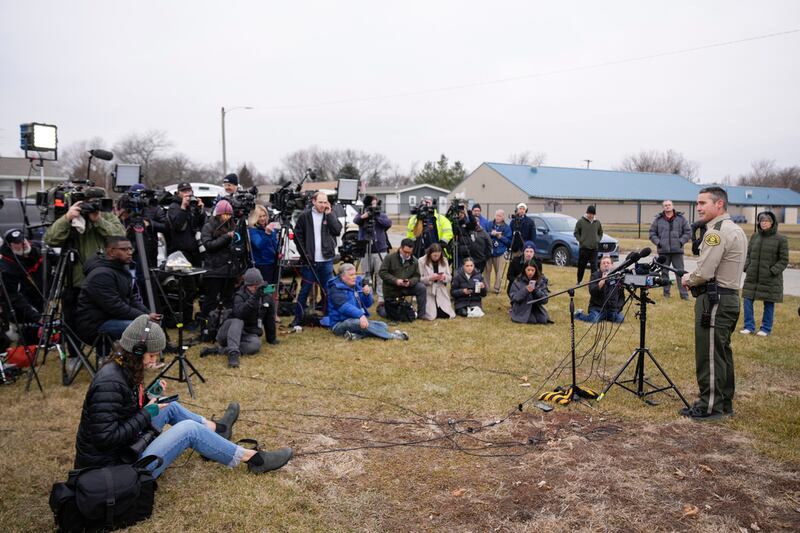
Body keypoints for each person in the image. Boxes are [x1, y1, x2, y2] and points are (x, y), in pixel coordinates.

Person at [73, 315, 292, 477]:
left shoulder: (123, 368)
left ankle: (218, 430)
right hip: (116, 468)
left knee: (168, 405)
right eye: (151, 355)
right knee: (189, 430)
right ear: (137, 351)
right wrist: (147, 413)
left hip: (125, 451)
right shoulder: (109, 382)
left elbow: (123, 410)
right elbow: (105, 438)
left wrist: (150, 395)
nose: (153, 361)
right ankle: (253, 459)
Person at [681, 186, 747, 420]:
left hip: (715, 300)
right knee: (721, 353)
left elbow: (705, 272)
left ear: (719, 204)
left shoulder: (716, 232)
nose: (698, 207)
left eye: (703, 203)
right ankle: (724, 402)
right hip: (728, 297)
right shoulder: (735, 229)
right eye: (697, 203)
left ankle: (709, 406)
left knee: (709, 354)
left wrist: (688, 278)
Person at [45, 188, 126, 370]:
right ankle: (74, 355)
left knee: (102, 321)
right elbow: (50, 239)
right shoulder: (71, 220)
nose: (92, 205)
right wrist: (67, 218)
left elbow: (120, 237)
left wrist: (98, 220)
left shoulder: (107, 217)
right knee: (72, 321)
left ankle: (103, 355)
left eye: (96, 201)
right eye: (88, 201)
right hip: (74, 282)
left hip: (103, 282)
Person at [76, 236, 160, 344]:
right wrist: (144, 317)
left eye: (131, 249)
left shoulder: (120, 269)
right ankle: (135, 359)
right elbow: (114, 306)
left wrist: (148, 313)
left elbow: (132, 298)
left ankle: (135, 359)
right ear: (111, 252)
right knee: (146, 329)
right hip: (96, 325)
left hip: (113, 318)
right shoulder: (101, 275)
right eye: (124, 249)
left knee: (150, 325)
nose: (130, 252)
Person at [293, 192, 342, 326]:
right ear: (314, 201)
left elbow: (337, 230)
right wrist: (305, 254)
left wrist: (330, 214)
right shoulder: (305, 216)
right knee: (305, 290)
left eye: (325, 202)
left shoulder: (329, 215)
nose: (323, 205)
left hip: (326, 260)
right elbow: (298, 236)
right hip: (310, 261)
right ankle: (298, 318)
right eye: (320, 202)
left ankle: (328, 317)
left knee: (327, 289)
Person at [213, 268, 277, 368]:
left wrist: (271, 339)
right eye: (252, 285)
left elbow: (269, 318)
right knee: (238, 321)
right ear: (247, 285)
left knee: (255, 345)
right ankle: (233, 355)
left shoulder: (266, 296)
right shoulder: (239, 295)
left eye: (258, 285)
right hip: (228, 332)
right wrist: (254, 298)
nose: (255, 288)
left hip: (246, 334)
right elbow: (239, 314)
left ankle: (220, 350)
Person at [117, 184, 168, 310]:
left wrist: (149, 223)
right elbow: (120, 228)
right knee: (130, 282)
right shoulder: (126, 210)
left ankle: (152, 311)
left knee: (148, 283)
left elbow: (166, 226)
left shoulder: (154, 209)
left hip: (148, 252)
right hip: (130, 251)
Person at [326, 263, 408, 341]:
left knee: (383, 325)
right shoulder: (335, 288)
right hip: (339, 324)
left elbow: (368, 304)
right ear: (342, 277)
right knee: (357, 323)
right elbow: (344, 307)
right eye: (351, 275)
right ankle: (393, 336)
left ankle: (356, 336)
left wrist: (367, 294)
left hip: (357, 319)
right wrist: (360, 315)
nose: (354, 277)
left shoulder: (356, 284)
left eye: (355, 274)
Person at [740, 211, 789, 336]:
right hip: (752, 276)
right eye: (762, 221)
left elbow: (784, 260)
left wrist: (772, 271)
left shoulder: (781, 239)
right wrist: (747, 267)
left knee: (768, 303)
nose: (764, 223)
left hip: (770, 278)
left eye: (767, 221)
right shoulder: (755, 236)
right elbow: (749, 254)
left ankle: (765, 328)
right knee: (747, 300)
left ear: (772, 223)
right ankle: (749, 326)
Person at [166, 182, 206, 327]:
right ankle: (186, 320)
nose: (187, 194)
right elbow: (176, 225)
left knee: (196, 286)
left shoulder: (193, 205)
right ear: (178, 193)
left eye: (188, 190)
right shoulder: (174, 207)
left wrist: (201, 211)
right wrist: (183, 207)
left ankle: (193, 317)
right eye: (183, 191)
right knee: (187, 288)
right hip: (181, 253)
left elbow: (202, 225)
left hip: (195, 251)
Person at [0, 229, 46, 343]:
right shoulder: (7, 267)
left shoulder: (35, 249)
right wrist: (36, 316)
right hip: (21, 309)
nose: (23, 243)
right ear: (10, 246)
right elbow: (13, 297)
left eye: (23, 239)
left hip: (40, 296)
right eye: (18, 242)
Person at [200, 199, 240, 324]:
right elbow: (209, 245)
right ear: (218, 214)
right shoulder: (208, 226)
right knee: (211, 299)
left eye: (229, 215)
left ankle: (226, 323)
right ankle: (206, 323)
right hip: (214, 269)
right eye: (224, 214)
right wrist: (227, 237)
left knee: (228, 298)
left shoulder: (234, 225)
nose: (227, 217)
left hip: (229, 269)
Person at [353, 195, 392, 304]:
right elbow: (356, 220)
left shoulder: (381, 215)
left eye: (375, 203)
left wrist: (376, 216)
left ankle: (381, 296)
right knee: (366, 273)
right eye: (372, 203)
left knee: (380, 274)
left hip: (380, 248)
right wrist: (364, 216)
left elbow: (388, 223)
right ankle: (367, 295)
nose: (374, 205)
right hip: (365, 248)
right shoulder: (362, 213)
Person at [649, 200, 692, 299]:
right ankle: (666, 295)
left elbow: (688, 232)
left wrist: (681, 241)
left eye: (669, 205)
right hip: (663, 251)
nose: (667, 207)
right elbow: (652, 233)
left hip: (677, 251)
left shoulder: (681, 219)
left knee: (680, 273)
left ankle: (684, 295)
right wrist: (659, 243)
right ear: (663, 207)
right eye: (665, 205)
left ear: (672, 206)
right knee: (664, 273)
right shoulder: (658, 220)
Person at [379, 238, 427, 320]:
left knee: (421, 288)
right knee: (389, 315)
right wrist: (395, 281)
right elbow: (382, 273)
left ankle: (421, 315)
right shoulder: (389, 258)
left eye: (409, 252)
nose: (407, 254)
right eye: (405, 252)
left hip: (407, 287)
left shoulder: (415, 261)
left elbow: (417, 276)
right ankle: (381, 307)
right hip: (392, 289)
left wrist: (410, 282)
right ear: (400, 248)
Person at [575, 255, 625, 323]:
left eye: (608, 263)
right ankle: (578, 314)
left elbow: (621, 295)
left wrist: (618, 308)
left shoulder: (617, 277)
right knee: (594, 320)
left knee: (620, 319)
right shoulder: (595, 275)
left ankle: (606, 317)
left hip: (611, 309)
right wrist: (602, 281)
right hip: (597, 308)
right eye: (603, 263)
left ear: (612, 265)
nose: (606, 265)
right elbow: (592, 291)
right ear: (600, 266)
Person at [418, 244, 455, 320]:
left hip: (440, 288)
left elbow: (449, 277)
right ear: (429, 254)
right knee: (431, 316)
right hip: (428, 289)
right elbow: (419, 279)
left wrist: (444, 277)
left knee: (447, 314)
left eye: (438, 255)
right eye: (434, 255)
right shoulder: (421, 261)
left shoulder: (444, 260)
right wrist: (430, 278)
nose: (436, 258)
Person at [510, 260, 550, 324]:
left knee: (543, 320)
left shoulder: (540, 281)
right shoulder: (517, 281)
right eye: (528, 270)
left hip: (535, 307)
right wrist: (526, 290)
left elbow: (545, 300)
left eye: (532, 270)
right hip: (521, 308)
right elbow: (514, 298)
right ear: (524, 270)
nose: (530, 272)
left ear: (535, 271)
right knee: (532, 321)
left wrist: (535, 290)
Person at [248, 204, 279, 285]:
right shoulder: (253, 230)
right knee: (264, 289)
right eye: (259, 216)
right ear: (255, 217)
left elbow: (274, 245)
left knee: (271, 288)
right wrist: (267, 233)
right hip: (261, 264)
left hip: (273, 263)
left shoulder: (269, 227)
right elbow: (259, 245)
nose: (262, 218)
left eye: (264, 215)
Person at [485, 209, 512, 295]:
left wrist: (500, 237)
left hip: (500, 252)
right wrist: (491, 234)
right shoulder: (488, 224)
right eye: (496, 215)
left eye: (500, 216)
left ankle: (497, 288)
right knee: (486, 271)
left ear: (503, 217)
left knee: (499, 272)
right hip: (489, 251)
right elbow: (483, 235)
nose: (497, 217)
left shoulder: (507, 227)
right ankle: (485, 287)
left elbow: (509, 242)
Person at [574, 205, 603, 283]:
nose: (590, 215)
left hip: (594, 249)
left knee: (594, 267)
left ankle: (593, 282)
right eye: (589, 213)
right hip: (584, 249)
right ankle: (579, 281)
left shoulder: (597, 223)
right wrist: (581, 240)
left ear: (594, 214)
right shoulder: (581, 221)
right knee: (581, 266)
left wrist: (598, 240)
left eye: (592, 214)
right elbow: (576, 233)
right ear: (587, 213)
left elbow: (600, 233)